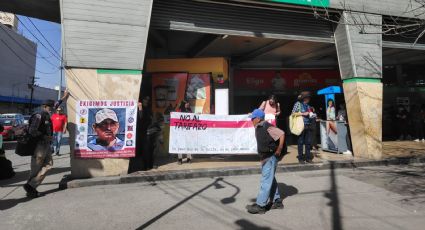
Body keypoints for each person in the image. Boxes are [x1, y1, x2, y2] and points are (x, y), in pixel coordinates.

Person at [23, 90, 69, 198]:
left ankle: (30, 186)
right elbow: (32, 131)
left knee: (49, 165)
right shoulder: (39, 116)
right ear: (45, 106)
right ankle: (31, 190)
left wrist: (64, 96)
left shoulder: (48, 114)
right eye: (50, 107)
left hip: (46, 145)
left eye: (52, 107)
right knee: (36, 169)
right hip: (39, 146)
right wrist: (44, 136)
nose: (52, 108)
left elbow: (57, 103)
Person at [246, 109, 284, 214]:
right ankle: (277, 201)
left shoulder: (267, 126)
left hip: (271, 157)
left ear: (258, 119)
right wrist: (262, 158)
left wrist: (279, 149)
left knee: (265, 181)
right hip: (266, 157)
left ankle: (261, 205)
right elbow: (262, 144)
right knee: (270, 179)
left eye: (253, 118)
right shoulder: (259, 127)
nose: (251, 120)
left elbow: (281, 133)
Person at [292, 91, 314, 163]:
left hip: (308, 125)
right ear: (304, 98)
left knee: (308, 142)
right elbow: (293, 113)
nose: (309, 99)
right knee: (300, 142)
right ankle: (300, 158)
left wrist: (312, 114)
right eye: (308, 97)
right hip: (300, 125)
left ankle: (308, 158)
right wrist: (303, 113)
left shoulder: (308, 106)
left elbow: (310, 114)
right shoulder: (298, 104)